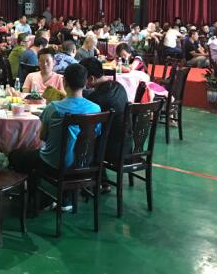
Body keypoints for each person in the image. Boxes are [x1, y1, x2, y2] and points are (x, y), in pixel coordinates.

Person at [9, 64, 101, 210]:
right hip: (84, 163)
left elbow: (43, 136)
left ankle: (37, 199)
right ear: (85, 83)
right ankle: (66, 197)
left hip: (55, 164)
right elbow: (95, 135)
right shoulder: (96, 109)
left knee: (16, 156)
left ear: (64, 82)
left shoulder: (54, 107)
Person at [80, 57, 130, 162]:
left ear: (91, 79)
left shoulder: (95, 99)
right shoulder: (119, 87)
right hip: (126, 146)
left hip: (107, 150)